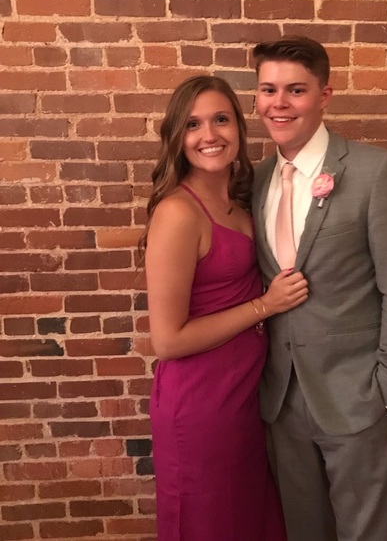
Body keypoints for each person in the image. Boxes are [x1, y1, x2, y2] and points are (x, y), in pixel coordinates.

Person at [251, 36, 387, 541]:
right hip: (281, 399)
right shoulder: (255, 179)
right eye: (268, 89)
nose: (279, 103)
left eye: (296, 90)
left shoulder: (375, 171)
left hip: (359, 396)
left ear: (324, 95)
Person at [139, 75, 308, 541]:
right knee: (208, 526)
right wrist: (264, 306)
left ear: (239, 126)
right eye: (193, 124)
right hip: (200, 405)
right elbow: (167, 340)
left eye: (220, 119)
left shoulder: (240, 199)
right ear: (177, 136)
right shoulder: (178, 212)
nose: (209, 135)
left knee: (248, 523)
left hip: (243, 399)